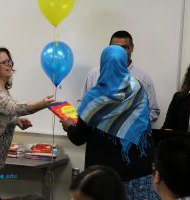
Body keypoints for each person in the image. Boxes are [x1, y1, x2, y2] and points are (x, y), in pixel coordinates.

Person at [61, 45, 157, 199]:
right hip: (138, 169)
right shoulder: (138, 89)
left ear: (103, 64)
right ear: (124, 62)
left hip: (104, 178)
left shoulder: (95, 96)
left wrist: (69, 126)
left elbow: (79, 138)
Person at [0, 47, 56, 188]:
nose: (9, 65)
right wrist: (43, 104)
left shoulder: (2, 90)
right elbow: (14, 107)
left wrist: (15, 121)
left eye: (9, 61)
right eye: (4, 62)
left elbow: (1, 114)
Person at [81, 30, 160, 124]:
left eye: (125, 47)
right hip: (95, 135)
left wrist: (129, 127)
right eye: (115, 48)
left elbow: (153, 111)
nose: (120, 52)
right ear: (109, 49)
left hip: (129, 137)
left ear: (132, 48)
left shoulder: (143, 78)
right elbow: (83, 105)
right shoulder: (94, 74)